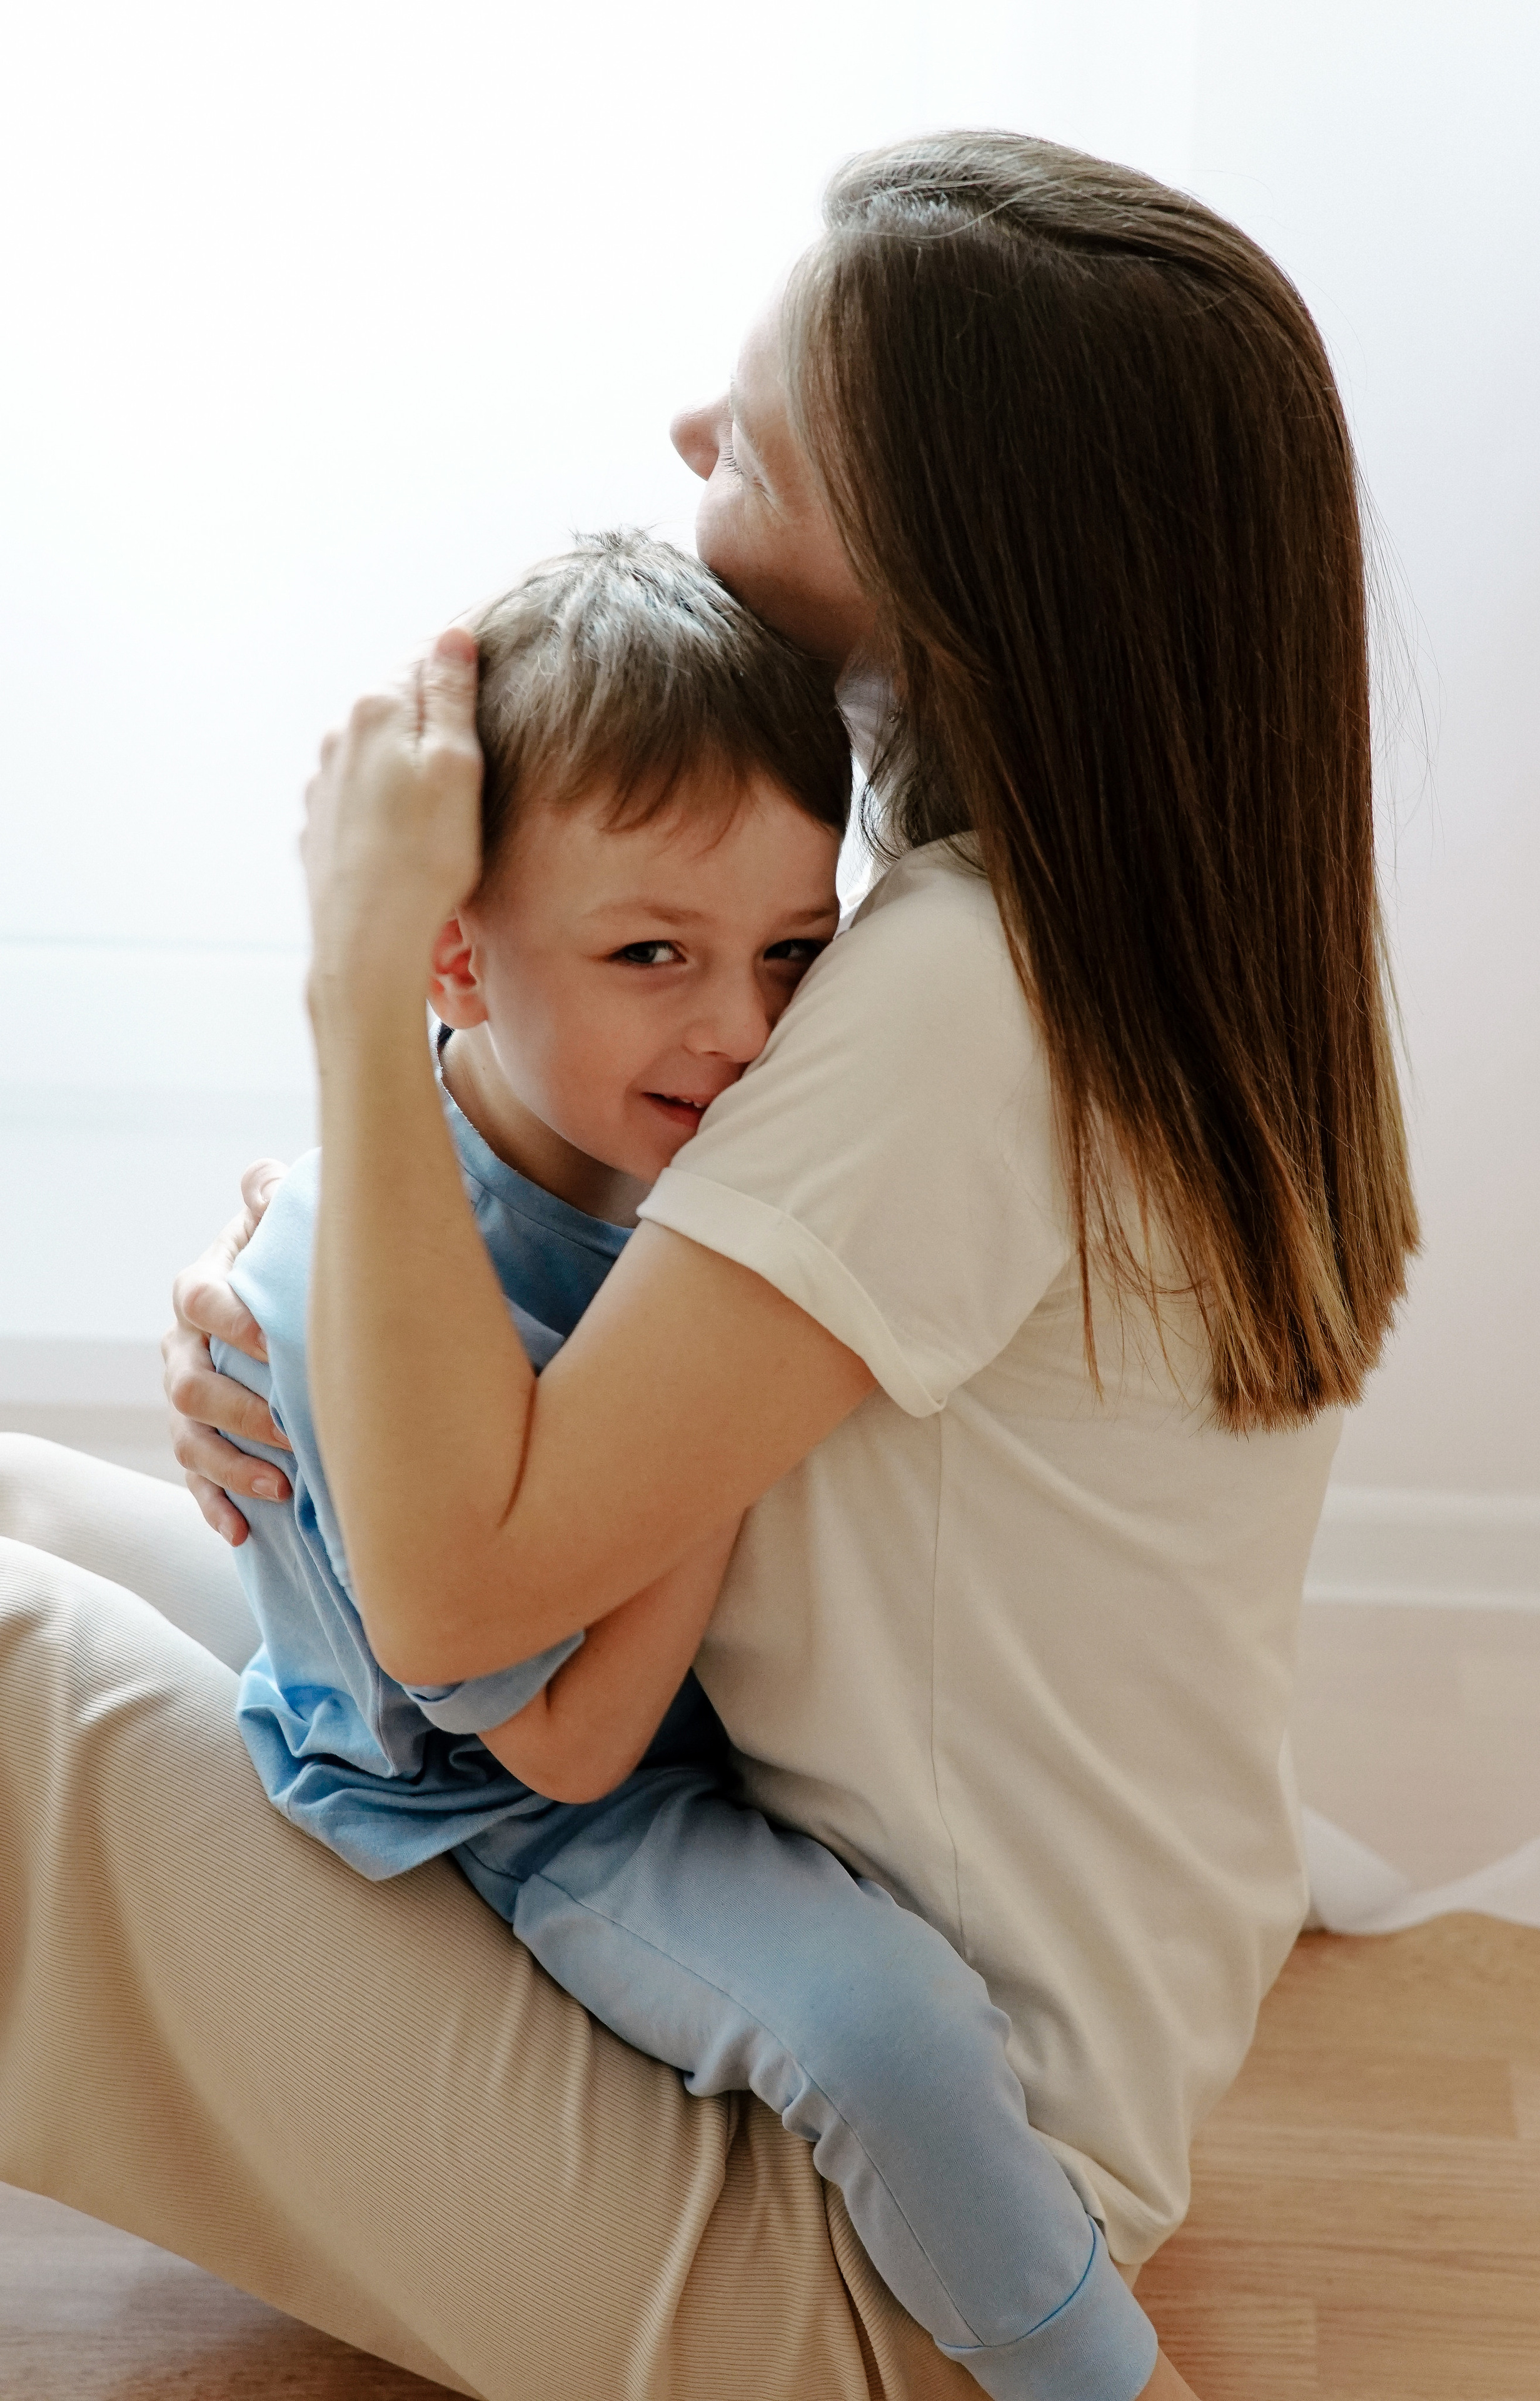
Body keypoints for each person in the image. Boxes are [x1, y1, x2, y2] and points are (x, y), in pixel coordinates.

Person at [0, 131, 1417, 2401]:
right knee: (21, 1505)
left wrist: (361, 981)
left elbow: (471, 1615)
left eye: (754, 433)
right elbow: (568, 1267)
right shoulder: (1127, 934)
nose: (685, 445)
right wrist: (279, 1279)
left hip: (877, 2214)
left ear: (959, 546)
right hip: (801, 1946)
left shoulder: (955, 997)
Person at [221, 527, 1157, 2399]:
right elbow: (553, 1738)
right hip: (517, 1812)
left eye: (792, 952)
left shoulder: (682, 1142)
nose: (738, 1029)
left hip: (670, 1745)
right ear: (455, 958)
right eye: (653, 954)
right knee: (891, 2033)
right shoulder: (371, 1249)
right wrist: (723, 1421)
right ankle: (1108, 2381)